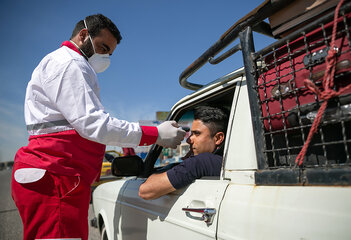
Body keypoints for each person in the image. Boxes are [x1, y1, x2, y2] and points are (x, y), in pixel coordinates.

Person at [11, 14, 185, 240]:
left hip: (56, 177)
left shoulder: (61, 62)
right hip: (56, 177)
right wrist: (156, 133)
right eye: (103, 47)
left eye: (110, 53)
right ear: (84, 35)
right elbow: (94, 124)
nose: (106, 57)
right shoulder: (70, 63)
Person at [139, 105, 229, 200]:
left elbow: (145, 191)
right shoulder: (225, 162)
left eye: (197, 134)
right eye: (191, 134)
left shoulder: (200, 162)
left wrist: (186, 162)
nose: (189, 140)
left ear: (218, 138)